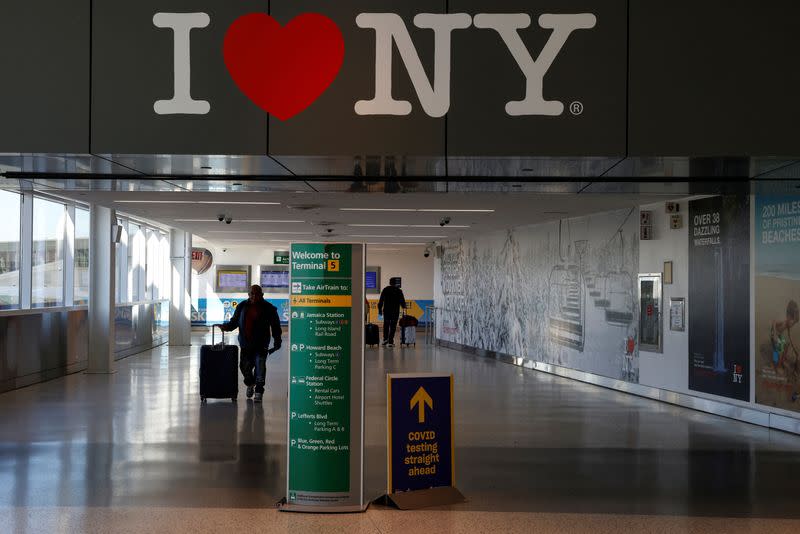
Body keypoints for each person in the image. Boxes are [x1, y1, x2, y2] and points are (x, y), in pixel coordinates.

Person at [219, 285, 281, 402]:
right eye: (252, 294)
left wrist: (277, 341)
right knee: (244, 367)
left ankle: (259, 391)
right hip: (245, 344)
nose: (254, 296)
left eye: (257, 294)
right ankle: (250, 383)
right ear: (248, 295)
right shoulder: (242, 306)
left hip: (261, 344)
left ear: (262, 295)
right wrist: (225, 327)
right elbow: (234, 322)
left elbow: (276, 327)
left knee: (260, 367)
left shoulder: (269, 308)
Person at [770, 300, 799, 401]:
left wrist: (795, 349)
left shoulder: (792, 321)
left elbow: (789, 336)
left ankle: (779, 362)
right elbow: (774, 323)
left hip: (780, 335)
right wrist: (775, 337)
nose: (794, 322)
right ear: (790, 316)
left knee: (785, 346)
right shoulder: (785, 321)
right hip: (775, 334)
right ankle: (777, 366)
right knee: (778, 349)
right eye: (793, 319)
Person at [378, 278, 406, 347]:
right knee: (393, 326)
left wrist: (380, 310)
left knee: (386, 324)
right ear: (395, 283)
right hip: (395, 311)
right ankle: (390, 341)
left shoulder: (385, 289)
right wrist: (404, 306)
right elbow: (402, 301)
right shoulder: (399, 291)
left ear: (390, 282)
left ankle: (385, 339)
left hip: (386, 311)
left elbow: (381, 300)